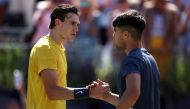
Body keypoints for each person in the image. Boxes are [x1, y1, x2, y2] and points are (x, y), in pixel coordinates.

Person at [26, 4, 109, 109]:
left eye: (77, 24)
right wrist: (89, 92)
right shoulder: (46, 48)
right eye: (73, 23)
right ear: (58, 23)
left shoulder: (57, 48)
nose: (77, 29)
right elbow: (52, 92)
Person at [90, 9, 160, 109]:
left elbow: (133, 93)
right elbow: (132, 102)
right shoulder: (149, 58)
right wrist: (107, 96)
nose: (113, 36)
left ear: (126, 35)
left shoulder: (131, 60)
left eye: (115, 31)